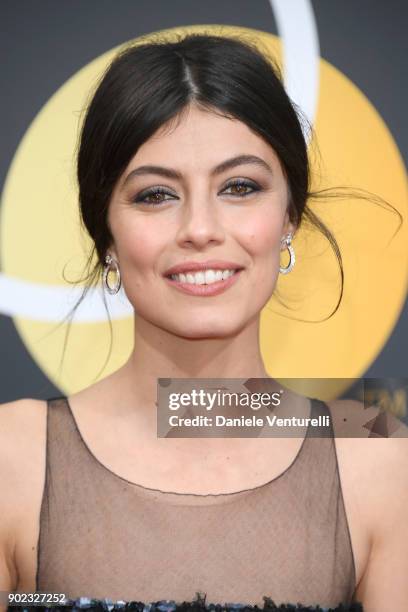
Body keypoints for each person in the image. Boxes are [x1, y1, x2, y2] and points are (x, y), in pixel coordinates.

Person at [1, 32, 407, 612]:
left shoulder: (381, 457)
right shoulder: (12, 456)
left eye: (240, 187)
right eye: (156, 195)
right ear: (105, 233)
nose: (200, 228)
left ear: (288, 218)